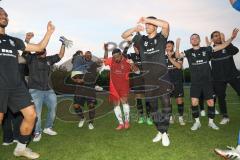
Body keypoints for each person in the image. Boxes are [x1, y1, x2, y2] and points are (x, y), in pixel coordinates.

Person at [0, 7, 55, 159]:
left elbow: (39, 47)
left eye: (5, 14)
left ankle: (21, 148)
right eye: (0, 13)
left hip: (17, 86)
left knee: (31, 115)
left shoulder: (13, 41)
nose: (3, 16)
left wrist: (49, 32)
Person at [122, 16, 172, 147]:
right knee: (153, 107)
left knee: (166, 104)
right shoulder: (141, 39)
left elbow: (166, 24)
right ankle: (161, 131)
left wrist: (148, 20)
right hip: (149, 79)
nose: (147, 26)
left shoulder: (161, 37)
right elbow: (124, 35)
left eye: (150, 24)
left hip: (162, 77)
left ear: (155, 26)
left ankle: (164, 132)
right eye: (147, 24)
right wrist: (135, 28)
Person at [176, 28, 239, 131]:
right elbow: (178, 55)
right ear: (190, 41)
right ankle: (197, 123)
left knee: (210, 102)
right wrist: (178, 46)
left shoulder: (207, 49)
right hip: (195, 83)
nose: (194, 39)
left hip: (207, 81)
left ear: (199, 40)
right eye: (192, 38)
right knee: (194, 102)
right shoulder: (188, 52)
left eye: (196, 38)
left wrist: (231, 38)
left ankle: (211, 122)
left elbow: (222, 46)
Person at [23, 34, 66, 142]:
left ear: (45, 51)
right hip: (35, 90)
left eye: (43, 49)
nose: (41, 51)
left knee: (53, 109)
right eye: (39, 49)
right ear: (36, 51)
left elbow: (60, 55)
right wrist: (27, 40)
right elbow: (24, 49)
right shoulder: (31, 58)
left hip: (49, 90)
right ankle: (37, 132)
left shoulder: (49, 59)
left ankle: (48, 127)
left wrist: (63, 43)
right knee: (37, 113)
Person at [1, 32, 32, 146]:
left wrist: (27, 40)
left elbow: (23, 51)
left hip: (18, 89)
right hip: (4, 88)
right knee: (6, 116)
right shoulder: (5, 61)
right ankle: (7, 139)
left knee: (19, 115)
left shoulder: (21, 61)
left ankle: (17, 137)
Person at [103, 47, 139, 130]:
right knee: (116, 105)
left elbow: (137, 72)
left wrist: (132, 64)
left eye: (117, 57)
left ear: (121, 55)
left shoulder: (127, 61)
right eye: (114, 57)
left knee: (124, 103)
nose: (116, 59)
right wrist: (105, 50)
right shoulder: (112, 60)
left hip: (124, 86)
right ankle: (121, 123)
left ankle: (127, 121)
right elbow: (105, 60)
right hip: (114, 87)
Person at [210, 31, 240, 125]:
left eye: (219, 35)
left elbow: (236, 51)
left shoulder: (227, 46)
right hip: (218, 78)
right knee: (221, 97)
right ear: (212, 39)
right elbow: (206, 57)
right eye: (215, 36)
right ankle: (225, 117)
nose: (218, 37)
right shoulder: (211, 50)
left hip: (233, 75)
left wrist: (225, 42)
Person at [72, 51, 99, 130]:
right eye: (87, 54)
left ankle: (90, 122)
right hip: (80, 88)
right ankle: (82, 118)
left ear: (91, 56)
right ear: (84, 56)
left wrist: (106, 50)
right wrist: (76, 80)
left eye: (90, 54)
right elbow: (72, 76)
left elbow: (103, 61)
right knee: (76, 105)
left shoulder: (93, 64)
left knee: (91, 105)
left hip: (90, 88)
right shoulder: (79, 64)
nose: (88, 56)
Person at [165, 40, 185, 126]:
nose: (167, 48)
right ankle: (170, 117)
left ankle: (180, 117)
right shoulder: (163, 57)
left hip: (177, 82)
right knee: (168, 102)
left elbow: (179, 66)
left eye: (169, 46)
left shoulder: (178, 55)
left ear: (172, 47)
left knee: (179, 100)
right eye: (166, 46)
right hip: (167, 83)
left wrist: (170, 58)